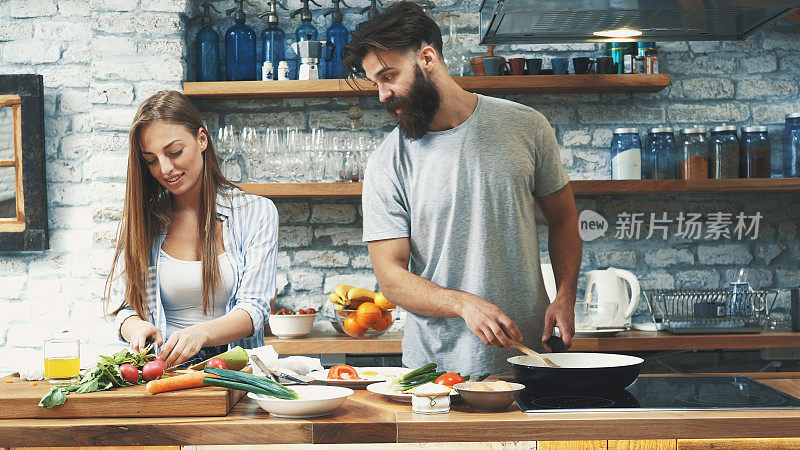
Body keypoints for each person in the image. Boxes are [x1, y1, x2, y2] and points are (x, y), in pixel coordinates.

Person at [342, 2, 582, 374]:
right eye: (376, 83)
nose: (382, 95)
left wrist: (566, 296)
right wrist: (463, 304)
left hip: (531, 358)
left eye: (388, 76)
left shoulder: (526, 126)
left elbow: (564, 217)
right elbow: (390, 277)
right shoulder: (388, 160)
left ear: (427, 57)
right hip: (435, 372)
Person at [105, 91, 279, 368]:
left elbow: (255, 309)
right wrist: (136, 327)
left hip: (235, 371)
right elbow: (121, 309)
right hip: (164, 372)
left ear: (201, 139)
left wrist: (201, 333)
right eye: (151, 160)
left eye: (174, 152)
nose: (165, 169)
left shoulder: (256, 213)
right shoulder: (141, 221)